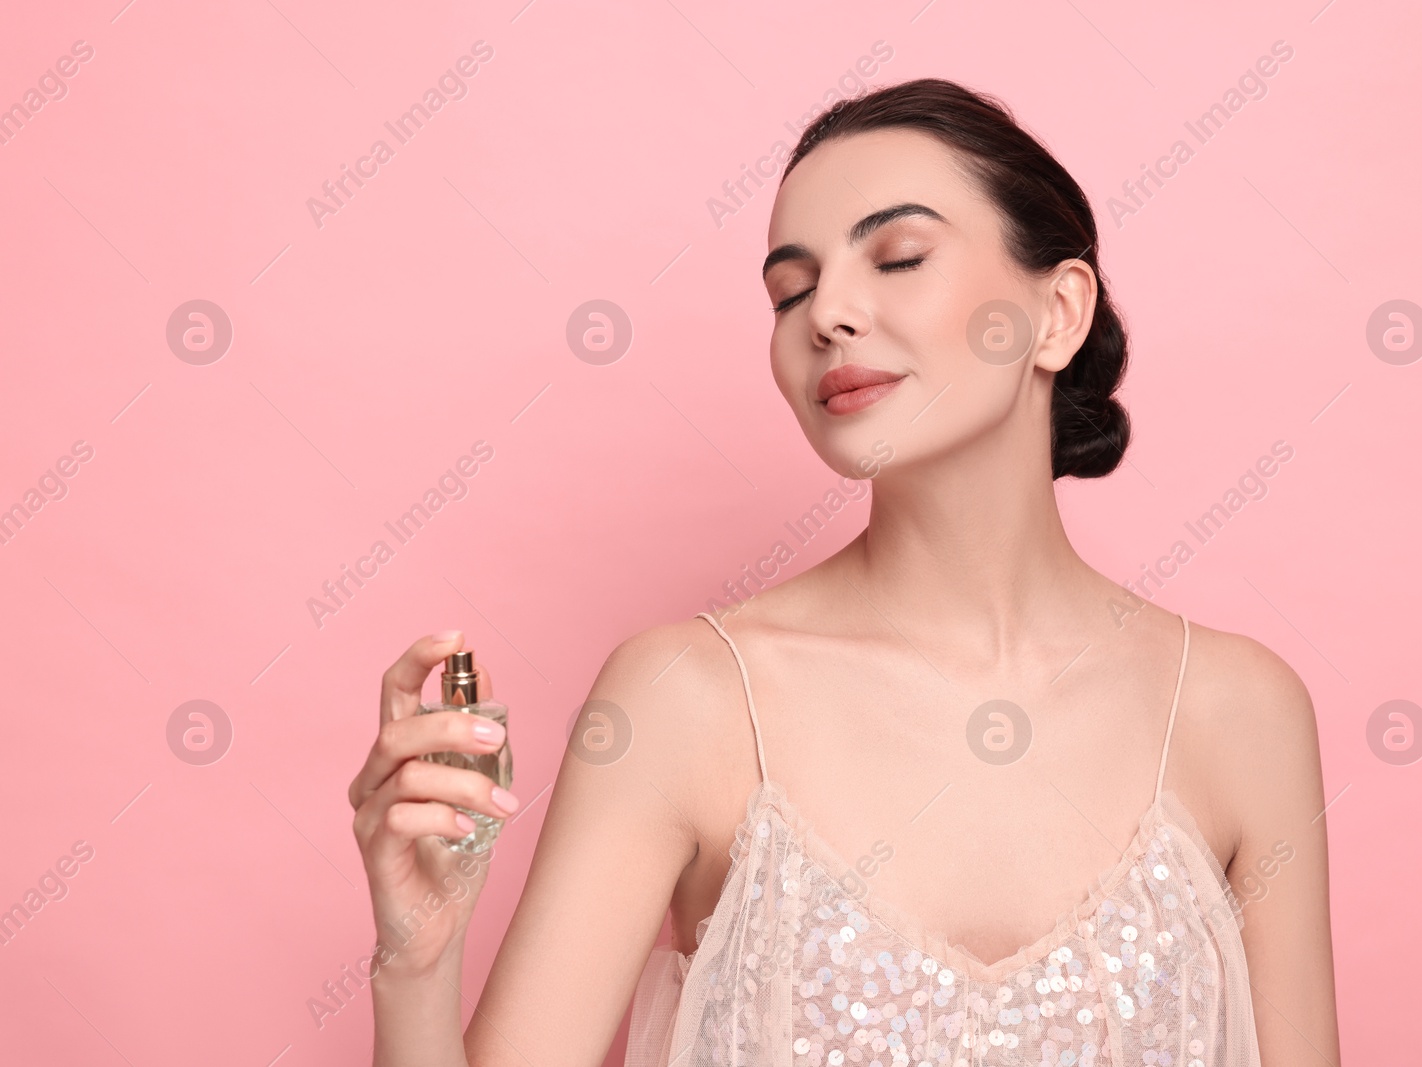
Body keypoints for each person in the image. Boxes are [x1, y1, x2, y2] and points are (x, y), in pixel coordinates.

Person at [349, 77, 1339, 1067]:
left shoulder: (1234, 710)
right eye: (789, 290)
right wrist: (417, 958)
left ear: (1057, 312)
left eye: (898, 256)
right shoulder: (683, 700)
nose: (826, 313)